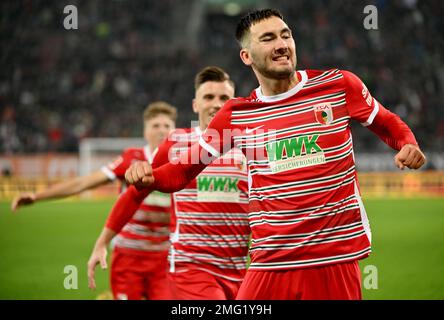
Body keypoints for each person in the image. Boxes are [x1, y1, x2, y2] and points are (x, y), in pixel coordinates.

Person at [121, 9, 427, 300]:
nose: (281, 45)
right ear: (246, 56)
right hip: (270, 261)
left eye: (285, 35)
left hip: (333, 256)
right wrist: (149, 175)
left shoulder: (337, 86)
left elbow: (386, 122)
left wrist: (406, 142)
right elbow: (183, 170)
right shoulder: (236, 115)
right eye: (268, 39)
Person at [88, 66, 251, 300]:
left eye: (224, 98)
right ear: (196, 104)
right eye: (208, 97)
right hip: (191, 269)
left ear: (232, 102)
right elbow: (136, 194)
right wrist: (102, 242)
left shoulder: (249, 146)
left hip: (239, 272)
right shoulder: (177, 143)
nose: (216, 104)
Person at [11, 101, 177, 300]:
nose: (161, 131)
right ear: (145, 131)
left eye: (167, 126)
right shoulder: (131, 158)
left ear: (175, 130)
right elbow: (84, 182)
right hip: (128, 256)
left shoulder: (181, 161)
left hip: (163, 258)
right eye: (155, 126)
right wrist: (38, 196)